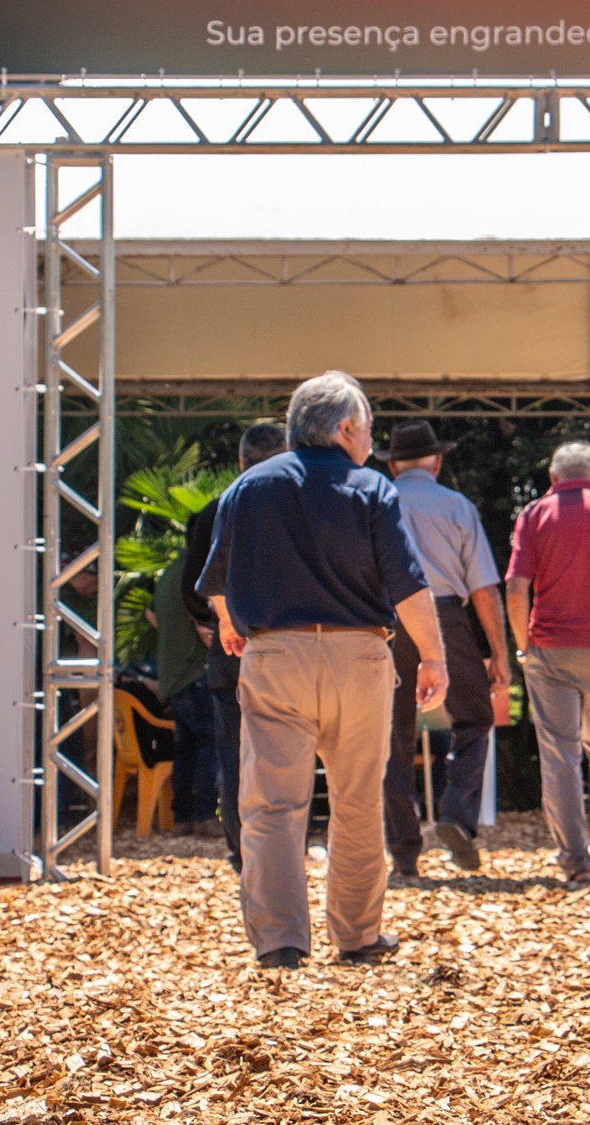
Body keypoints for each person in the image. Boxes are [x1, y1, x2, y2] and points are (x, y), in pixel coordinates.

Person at [199, 372, 449, 970]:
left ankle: (281, 941)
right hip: (358, 657)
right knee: (357, 799)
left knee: (271, 805)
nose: (370, 439)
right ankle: (358, 936)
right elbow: (408, 584)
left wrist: (231, 622)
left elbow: (213, 580)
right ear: (344, 430)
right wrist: (434, 655)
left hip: (275, 656)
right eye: (366, 428)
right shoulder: (371, 488)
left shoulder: (249, 486)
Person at [380, 419, 510, 876]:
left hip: (388, 622)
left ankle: (403, 849)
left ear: (393, 464)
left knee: (391, 735)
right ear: (437, 460)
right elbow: (485, 589)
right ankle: (456, 816)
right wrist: (499, 653)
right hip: (446, 618)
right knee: (474, 720)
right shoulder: (457, 506)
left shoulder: (377, 500)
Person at [505, 440, 590, 882]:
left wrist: (523, 646)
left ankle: (574, 861)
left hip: (551, 649)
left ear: (554, 478)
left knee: (559, 755)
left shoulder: (535, 514)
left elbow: (517, 588)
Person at [178, 421, 289, 870]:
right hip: (285, 646)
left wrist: (212, 622)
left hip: (228, 646)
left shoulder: (213, 509)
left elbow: (192, 586)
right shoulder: (296, 508)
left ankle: (242, 849)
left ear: (241, 461)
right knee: (287, 751)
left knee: (233, 751)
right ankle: (283, 848)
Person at [151, 548, 216, 837]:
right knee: (209, 743)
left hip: (173, 676)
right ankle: (204, 815)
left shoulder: (168, 574)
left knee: (186, 748)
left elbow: (150, 615)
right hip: (195, 672)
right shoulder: (196, 576)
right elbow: (205, 628)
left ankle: (182, 818)